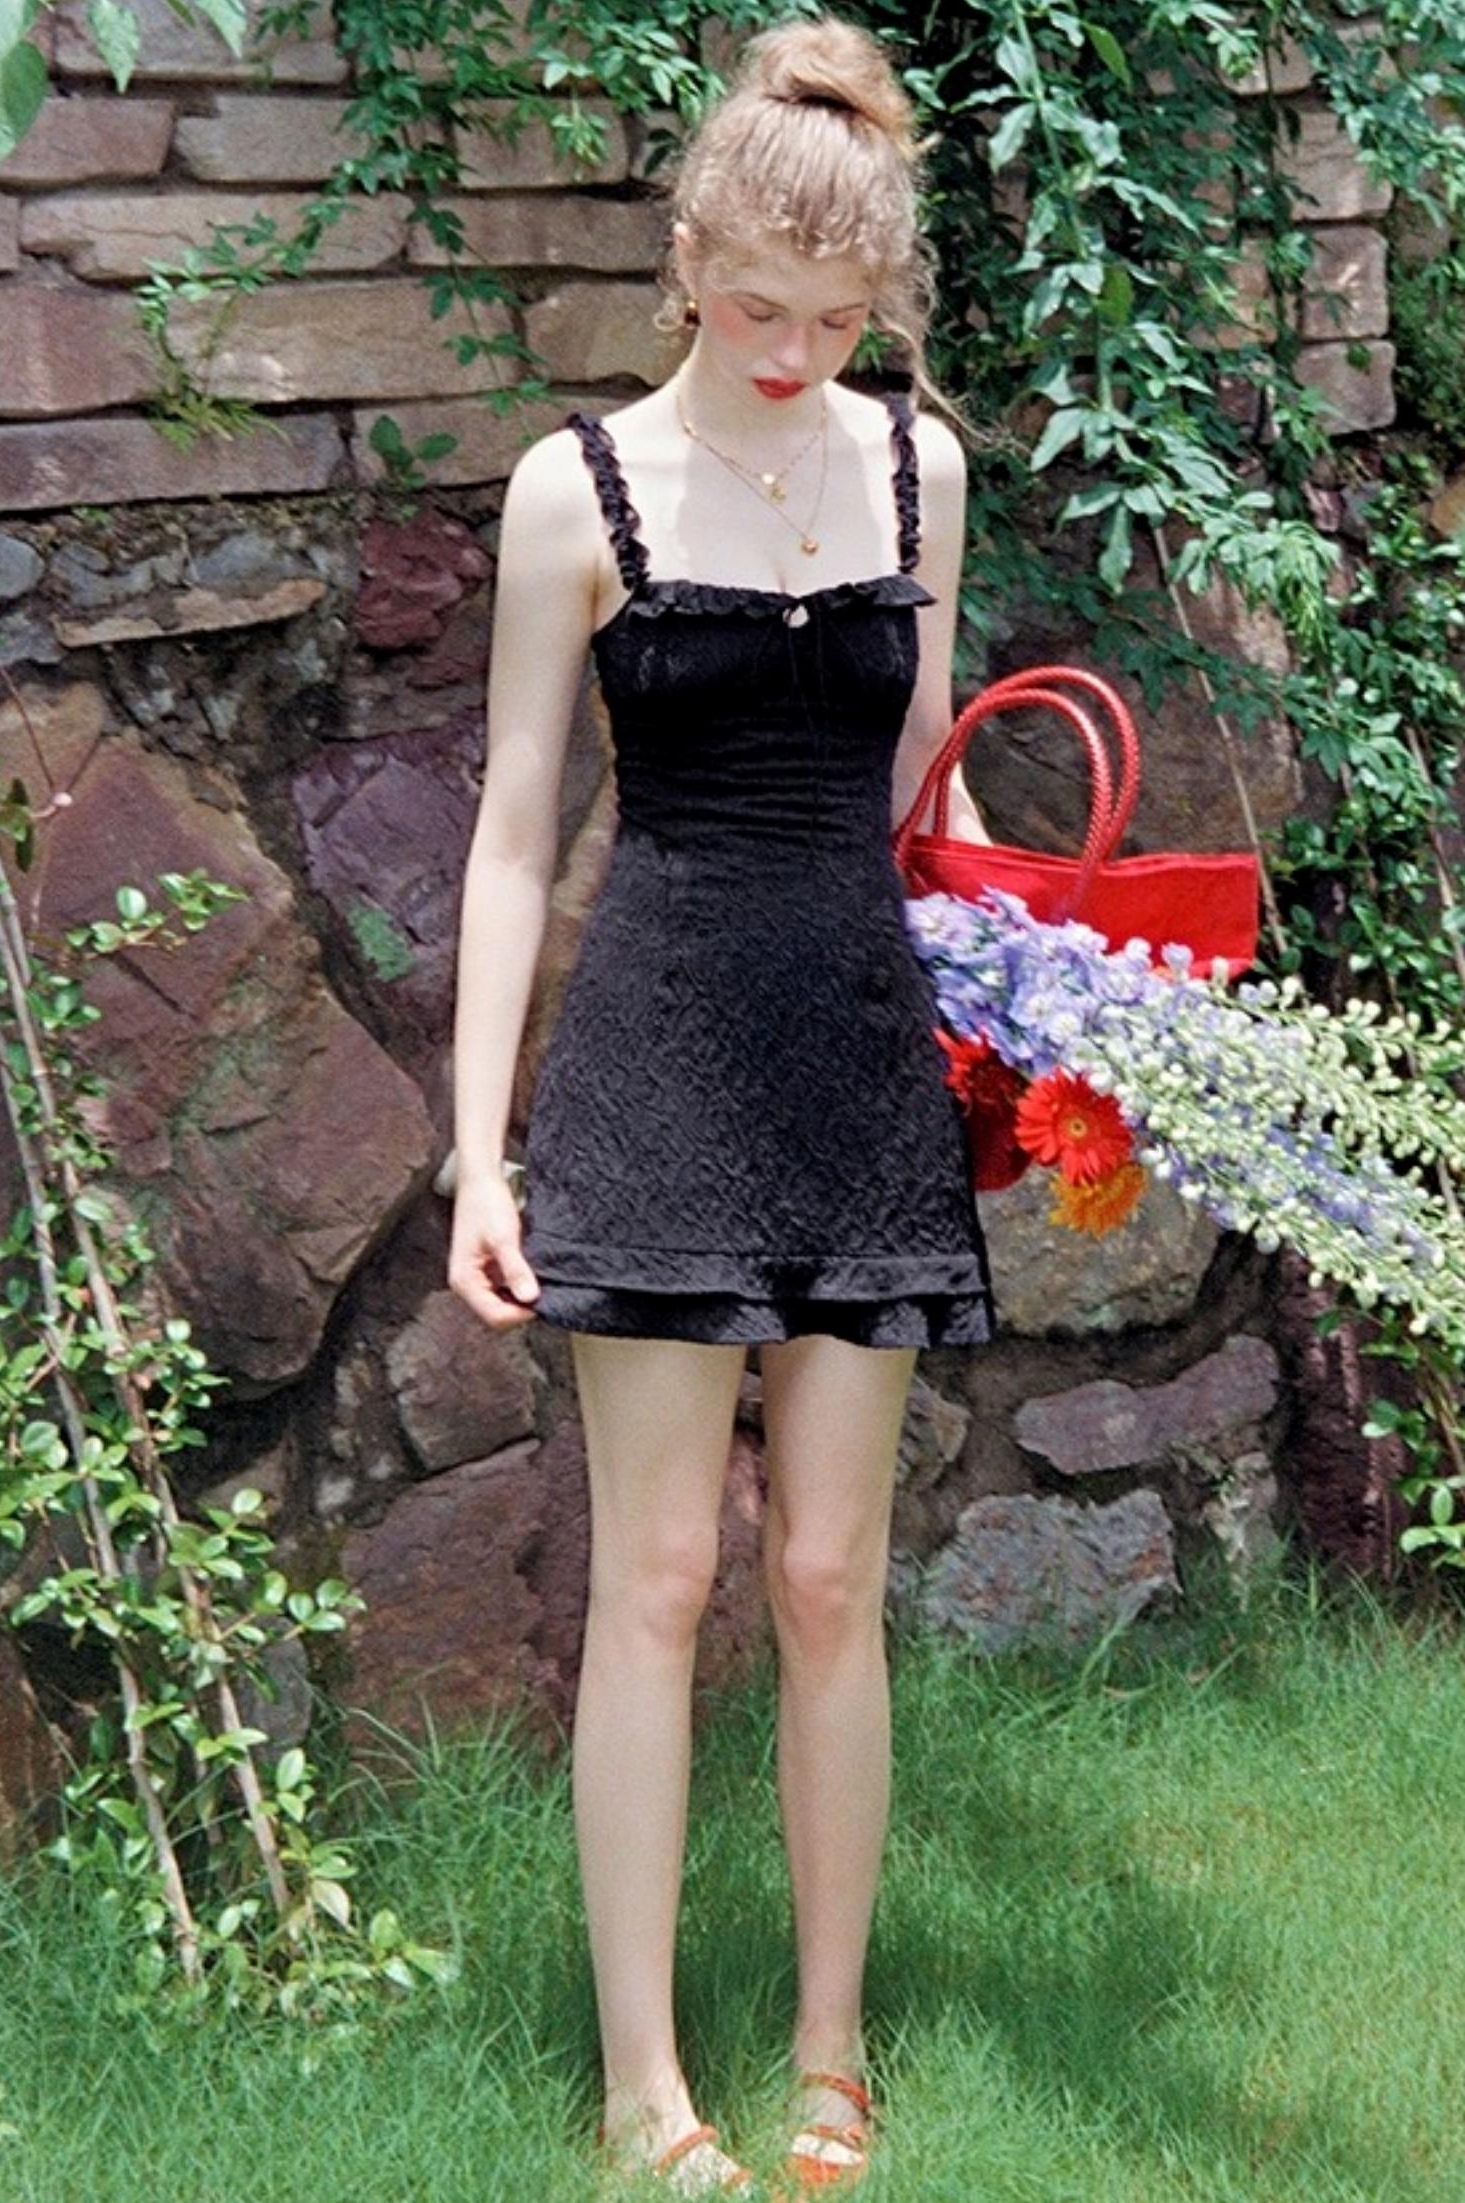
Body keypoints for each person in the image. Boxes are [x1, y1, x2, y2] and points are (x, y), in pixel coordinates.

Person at [447, 13, 997, 2193]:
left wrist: (1046, 991)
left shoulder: (918, 468)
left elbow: (921, 776)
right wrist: (476, 1148)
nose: (792, 355)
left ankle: (833, 2052)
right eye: (757, 306)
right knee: (661, 1575)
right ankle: (638, 2089)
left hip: (858, 1053)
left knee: (833, 1574)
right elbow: (513, 831)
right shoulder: (568, 490)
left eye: (836, 321)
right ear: (681, 260)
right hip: (655, 1055)